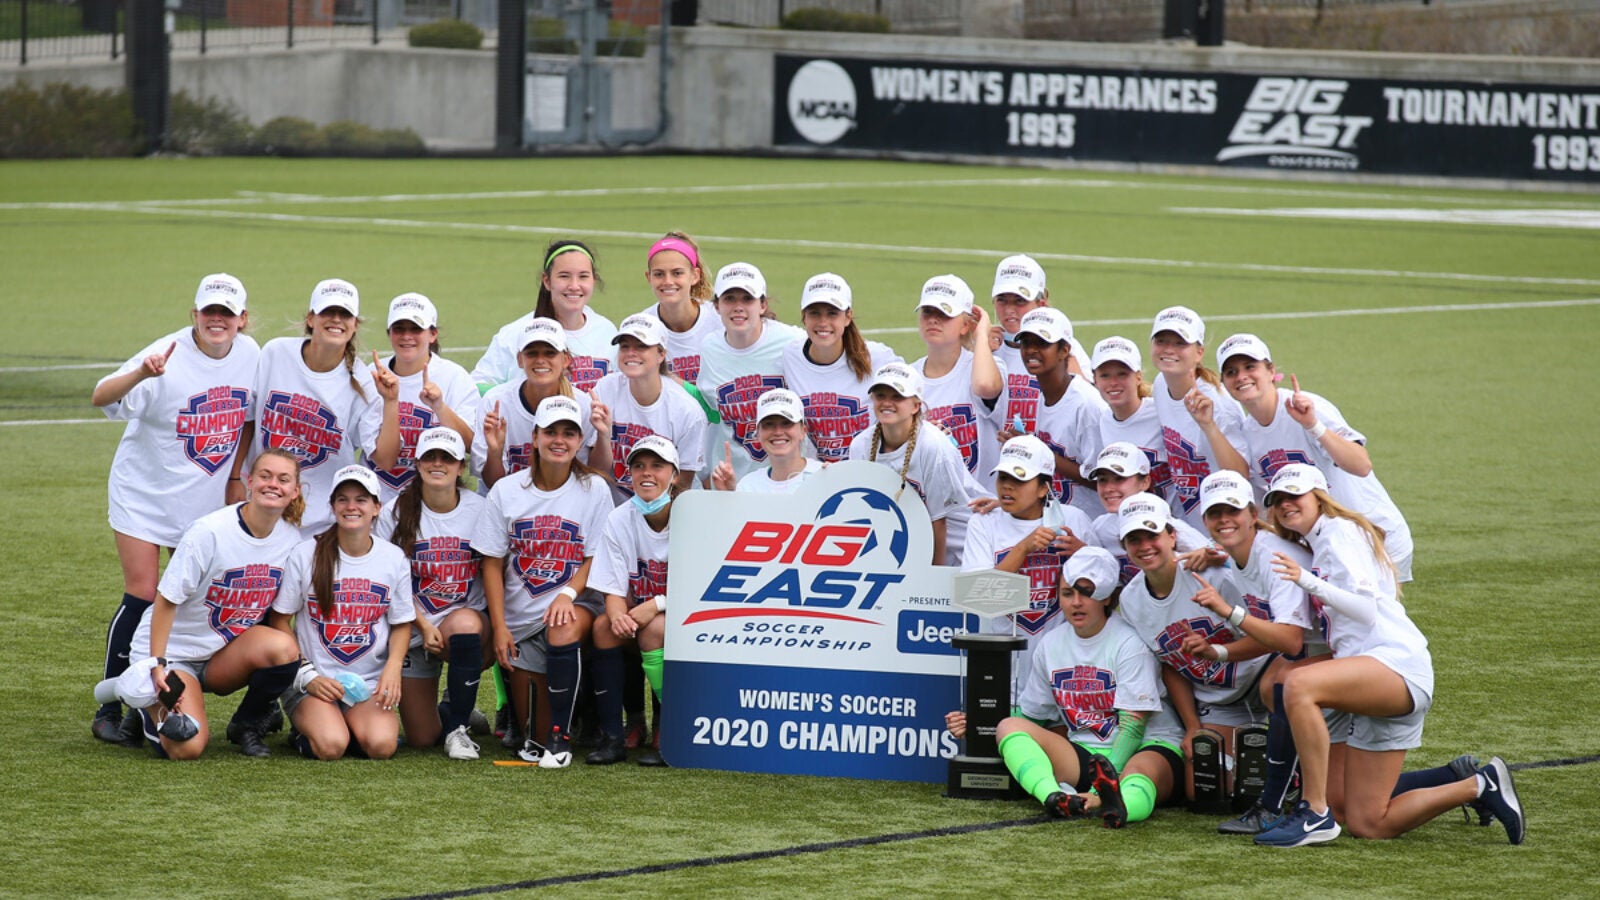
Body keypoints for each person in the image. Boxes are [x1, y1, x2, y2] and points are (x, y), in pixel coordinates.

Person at [1253, 464, 1524, 847]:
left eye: (1294, 495)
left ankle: (1313, 813)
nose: (1284, 504)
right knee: (1365, 821)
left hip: (1395, 665)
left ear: (1319, 495)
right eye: (1277, 500)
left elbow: (1364, 609)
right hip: (1367, 678)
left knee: (1296, 683)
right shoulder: (1318, 542)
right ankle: (1476, 785)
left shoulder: (1338, 532)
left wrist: (1305, 580)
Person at [90, 273, 260, 744]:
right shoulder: (167, 354)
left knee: (185, 598)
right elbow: (101, 396)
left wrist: (234, 474)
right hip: (143, 494)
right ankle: (111, 703)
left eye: (227, 313)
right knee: (143, 594)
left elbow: (247, 417)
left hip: (202, 499)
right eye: (210, 312)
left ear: (242, 320)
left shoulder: (251, 356)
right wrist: (143, 373)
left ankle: (149, 700)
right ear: (195, 315)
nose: (217, 320)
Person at [945, 547, 1184, 827]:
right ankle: (1055, 797)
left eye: (1086, 593)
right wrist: (978, 722)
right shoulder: (1051, 644)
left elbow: (1133, 728)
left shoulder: (1129, 643)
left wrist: (1097, 793)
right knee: (1008, 727)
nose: (1076, 603)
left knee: (1139, 773)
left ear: (1106, 596)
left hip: (1146, 746)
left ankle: (1120, 806)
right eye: (1067, 593)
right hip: (1085, 751)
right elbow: (1031, 717)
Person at [113, 449, 306, 759]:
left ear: (295, 490)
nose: (274, 485)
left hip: (221, 655)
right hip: (173, 652)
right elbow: (166, 600)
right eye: (265, 476)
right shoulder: (210, 532)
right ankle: (143, 707)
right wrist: (156, 663)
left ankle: (247, 724)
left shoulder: (291, 539)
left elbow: (281, 614)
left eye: (284, 480)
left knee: (283, 647)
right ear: (249, 480)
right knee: (187, 748)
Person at [1187, 469, 1332, 834]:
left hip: (1350, 650)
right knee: (1351, 802)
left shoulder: (1271, 557)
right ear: (1204, 520)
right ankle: (1468, 782)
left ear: (1253, 514)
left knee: (1280, 682)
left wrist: (1228, 612)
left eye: (1233, 511)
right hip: (1324, 648)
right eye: (1215, 513)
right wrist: (1218, 652)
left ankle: (1271, 803)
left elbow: (1290, 641)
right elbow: (1276, 636)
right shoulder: (1235, 555)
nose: (1224, 520)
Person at [472, 396, 614, 769]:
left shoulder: (594, 489)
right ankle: (565, 719)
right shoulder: (506, 490)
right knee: (531, 734)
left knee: (562, 627)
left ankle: (561, 739)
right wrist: (500, 627)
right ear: (534, 437)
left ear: (580, 440)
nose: (559, 440)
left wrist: (567, 593)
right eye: (551, 431)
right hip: (522, 618)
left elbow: (595, 557)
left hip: (577, 602)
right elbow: (491, 563)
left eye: (569, 433)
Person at [1114, 491, 1273, 803]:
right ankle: (1261, 760)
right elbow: (1170, 666)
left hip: (1262, 676)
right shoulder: (1131, 601)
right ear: (1124, 546)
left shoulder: (1214, 576)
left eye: (1152, 534)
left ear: (1172, 536)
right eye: (1134, 539)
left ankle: (1287, 758)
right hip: (1220, 700)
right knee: (1206, 794)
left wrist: (1216, 651)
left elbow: (1272, 637)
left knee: (1278, 687)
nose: (1145, 546)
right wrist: (1192, 728)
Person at [1215, 332, 1414, 582]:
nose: (1241, 376)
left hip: (1372, 535)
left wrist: (1313, 425)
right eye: (1231, 372)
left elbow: (1361, 465)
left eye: (1250, 367)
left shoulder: (1305, 406)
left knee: (1367, 619)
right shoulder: (1248, 433)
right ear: (1223, 382)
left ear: (1270, 371)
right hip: (1327, 547)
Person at [271, 465, 415, 761]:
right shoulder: (305, 554)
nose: (352, 507)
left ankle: (347, 723)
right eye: (343, 499)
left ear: (376, 507)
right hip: (315, 680)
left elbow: (401, 623)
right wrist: (307, 675)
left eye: (361, 500)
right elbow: (279, 620)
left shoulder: (392, 558)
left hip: (368, 681)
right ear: (333, 506)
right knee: (332, 746)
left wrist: (393, 668)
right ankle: (309, 730)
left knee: (382, 746)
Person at [375, 427, 489, 761]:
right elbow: (389, 583)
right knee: (423, 738)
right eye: (430, 457)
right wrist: (423, 626)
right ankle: (456, 704)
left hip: (465, 625)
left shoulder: (480, 509)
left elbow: (494, 572)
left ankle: (458, 729)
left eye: (447, 458)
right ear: (418, 462)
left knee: (466, 625)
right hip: (415, 626)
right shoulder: (394, 513)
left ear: (460, 467)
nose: (438, 463)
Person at [250, 279, 389, 537]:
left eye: (345, 314)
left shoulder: (363, 381)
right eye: (328, 312)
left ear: (354, 324)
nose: (336, 319)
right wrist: (237, 478)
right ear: (311, 318)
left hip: (319, 522)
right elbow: (249, 417)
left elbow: (383, 458)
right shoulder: (275, 353)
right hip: (263, 508)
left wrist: (391, 402)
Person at [962, 435, 1093, 699]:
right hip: (1005, 666)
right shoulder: (983, 523)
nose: (1007, 487)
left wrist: (1083, 554)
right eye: (1002, 478)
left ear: (1043, 487)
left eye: (1019, 480)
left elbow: (1103, 593)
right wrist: (1022, 548)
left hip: (1065, 666)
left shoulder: (1073, 520)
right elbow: (975, 598)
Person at [585, 435, 682, 767]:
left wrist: (655, 605)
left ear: (675, 475)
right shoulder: (619, 517)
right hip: (639, 612)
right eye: (638, 466)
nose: (647, 474)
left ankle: (672, 731)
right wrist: (617, 617)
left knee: (653, 628)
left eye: (658, 466)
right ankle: (615, 736)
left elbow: (701, 584)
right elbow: (611, 588)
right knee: (603, 627)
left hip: (687, 615)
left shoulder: (692, 514)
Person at [847, 362, 972, 565]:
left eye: (897, 396)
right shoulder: (860, 445)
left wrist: (931, 579)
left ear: (916, 406)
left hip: (958, 550)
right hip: (908, 545)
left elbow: (939, 522)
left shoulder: (933, 447)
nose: (887, 403)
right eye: (880, 396)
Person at [696, 262, 803, 487]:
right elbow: (710, 412)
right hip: (732, 482)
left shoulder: (793, 342)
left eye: (747, 299)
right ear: (716, 306)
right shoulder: (709, 348)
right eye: (729, 299)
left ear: (762, 305)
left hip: (786, 481)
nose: (738, 307)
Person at [995, 308, 1106, 519]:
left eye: (1043, 343)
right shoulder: (1040, 395)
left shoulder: (1086, 404)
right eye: (1026, 343)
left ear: (1064, 350)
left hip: (1089, 526)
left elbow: (1102, 480)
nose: (1031, 350)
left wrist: (1039, 451)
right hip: (1055, 522)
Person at [369, 293, 479, 505]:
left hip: (437, 503)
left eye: (416, 329)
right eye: (399, 328)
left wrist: (439, 407)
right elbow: (384, 461)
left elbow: (470, 445)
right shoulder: (371, 376)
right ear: (389, 333)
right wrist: (390, 401)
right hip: (381, 503)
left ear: (432, 334)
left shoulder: (455, 378)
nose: (407, 336)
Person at [475, 318, 609, 490]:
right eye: (531, 353)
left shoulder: (583, 405)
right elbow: (492, 484)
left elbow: (596, 473)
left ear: (566, 359)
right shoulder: (495, 404)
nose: (540, 360)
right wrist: (495, 452)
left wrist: (603, 436)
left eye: (549, 353)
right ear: (519, 360)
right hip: (508, 504)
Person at [1147, 306, 1250, 531]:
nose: (1169, 349)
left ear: (1199, 352)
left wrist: (1209, 426)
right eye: (1161, 341)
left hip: (1228, 527)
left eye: (1180, 343)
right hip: (1193, 524)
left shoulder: (1218, 405)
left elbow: (1241, 475)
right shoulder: (1160, 384)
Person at [780, 273, 901, 464]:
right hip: (817, 478)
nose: (823, 322)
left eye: (832, 313)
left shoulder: (879, 358)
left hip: (871, 473)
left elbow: (913, 396)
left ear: (848, 317)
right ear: (803, 317)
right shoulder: (790, 357)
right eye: (814, 313)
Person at [473, 239, 617, 394]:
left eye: (583, 276)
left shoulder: (607, 331)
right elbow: (476, 386)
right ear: (547, 281)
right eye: (564, 276)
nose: (574, 286)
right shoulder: (514, 333)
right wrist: (513, 400)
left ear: (593, 280)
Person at [591, 313, 707, 500]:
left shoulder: (686, 411)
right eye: (625, 346)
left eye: (641, 346)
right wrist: (603, 437)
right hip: (618, 512)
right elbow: (597, 473)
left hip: (667, 510)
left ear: (661, 354)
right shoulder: (605, 389)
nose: (630, 353)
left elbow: (683, 485)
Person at [911, 274, 1008, 489]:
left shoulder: (984, 368)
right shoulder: (910, 377)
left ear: (966, 325)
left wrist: (981, 334)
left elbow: (985, 386)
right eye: (928, 312)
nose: (933, 319)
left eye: (944, 313)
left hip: (983, 507)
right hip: (933, 506)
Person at [1082, 442, 1211, 585]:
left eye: (1119, 478)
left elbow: (1220, 557)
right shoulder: (1099, 527)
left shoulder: (1165, 525)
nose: (1108, 488)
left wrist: (1209, 554)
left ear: (1145, 482)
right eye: (1102, 480)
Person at [1090, 335, 1171, 501]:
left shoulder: (1161, 412)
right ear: (1094, 380)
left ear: (1138, 377)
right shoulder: (1103, 421)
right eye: (1105, 375)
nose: (1113, 382)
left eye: (1122, 374)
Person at [638, 232, 722, 384]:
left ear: (695, 275)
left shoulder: (720, 320)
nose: (668, 281)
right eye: (659, 274)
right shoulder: (640, 328)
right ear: (648, 277)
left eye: (677, 273)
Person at [711, 388, 823, 493]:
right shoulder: (748, 486)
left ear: (803, 431)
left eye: (786, 423)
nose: (778, 432)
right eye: (768, 425)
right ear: (758, 434)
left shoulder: (823, 477)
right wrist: (728, 496)